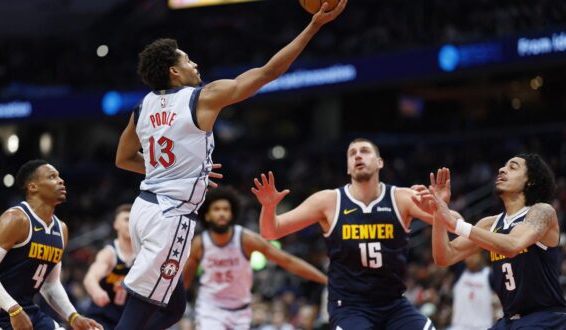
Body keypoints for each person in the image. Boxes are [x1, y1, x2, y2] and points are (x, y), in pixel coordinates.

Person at [113, 1, 346, 329]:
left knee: (174, 307)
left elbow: (123, 159)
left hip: (143, 210)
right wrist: (314, 26)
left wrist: (182, 175)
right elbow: (268, 73)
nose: (195, 63)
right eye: (187, 59)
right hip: (170, 216)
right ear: (173, 72)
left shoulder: (142, 108)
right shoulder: (201, 97)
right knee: (136, 316)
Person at [251, 138, 452, 330]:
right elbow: (270, 232)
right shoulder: (328, 201)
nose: (358, 156)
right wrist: (268, 208)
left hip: (393, 304)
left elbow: (455, 224)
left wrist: (440, 207)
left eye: (364, 151)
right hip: (349, 306)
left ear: (380, 162)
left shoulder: (402, 198)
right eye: (352, 153)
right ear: (348, 167)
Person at [418, 155, 566, 329]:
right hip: (509, 320)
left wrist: (456, 224)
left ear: (531, 181)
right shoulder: (489, 224)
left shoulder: (542, 212)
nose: (502, 170)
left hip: (545, 318)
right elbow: (444, 256)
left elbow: (512, 245)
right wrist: (438, 210)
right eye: (503, 166)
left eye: (513, 167)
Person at [0, 159, 102, 330]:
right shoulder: (16, 219)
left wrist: (73, 316)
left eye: (59, 177)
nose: (60, 181)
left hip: (27, 310)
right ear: (32, 187)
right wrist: (13, 308)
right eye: (52, 177)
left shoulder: (61, 229)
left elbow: (50, 284)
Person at [182, 188, 327, 330]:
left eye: (226, 209)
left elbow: (287, 261)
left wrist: (327, 280)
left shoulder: (246, 239)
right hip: (210, 308)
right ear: (207, 215)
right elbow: (185, 280)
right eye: (217, 209)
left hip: (241, 310)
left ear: (232, 214)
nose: (222, 213)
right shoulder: (199, 243)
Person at [83, 204, 134, 330]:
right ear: (116, 224)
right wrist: (96, 291)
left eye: (133, 220)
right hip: (102, 316)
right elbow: (90, 278)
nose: (130, 223)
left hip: (130, 319)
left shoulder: (144, 255)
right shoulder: (109, 253)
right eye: (126, 219)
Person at [449, 253, 495, 330]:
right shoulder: (459, 272)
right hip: (459, 326)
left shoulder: (489, 275)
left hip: (483, 326)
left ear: (480, 256)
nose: (470, 258)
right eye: (468, 255)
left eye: (474, 255)